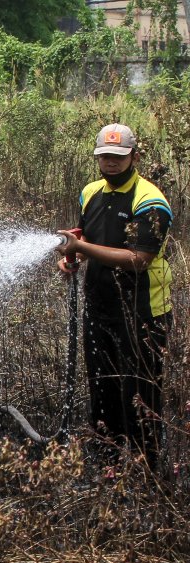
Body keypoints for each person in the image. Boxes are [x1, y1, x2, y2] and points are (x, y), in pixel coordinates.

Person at [55, 123, 173, 464]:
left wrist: (83, 248)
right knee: (102, 386)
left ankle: (146, 469)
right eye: (104, 156)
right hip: (99, 307)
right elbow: (85, 237)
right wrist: (70, 258)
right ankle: (106, 461)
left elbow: (139, 260)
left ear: (134, 157)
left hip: (142, 311)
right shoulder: (90, 192)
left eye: (118, 157)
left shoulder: (151, 201)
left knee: (140, 393)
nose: (110, 162)